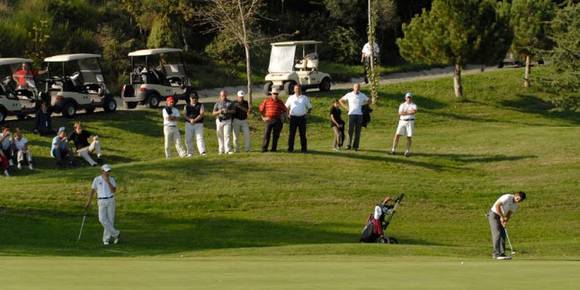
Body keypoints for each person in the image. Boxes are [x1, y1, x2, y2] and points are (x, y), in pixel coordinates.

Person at [86, 164, 120, 246]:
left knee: (110, 220)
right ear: (102, 171)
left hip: (110, 200)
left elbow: (113, 191)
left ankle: (106, 239)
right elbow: (92, 191)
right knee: (102, 219)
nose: (107, 173)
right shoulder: (97, 179)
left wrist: (108, 182)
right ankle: (116, 234)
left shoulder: (111, 179)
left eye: (108, 171)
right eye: (106, 171)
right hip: (101, 201)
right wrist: (89, 201)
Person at [487, 191, 527, 260]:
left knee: (503, 234)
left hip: (501, 216)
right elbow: (497, 206)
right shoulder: (507, 197)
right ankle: (496, 254)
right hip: (493, 214)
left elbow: (509, 214)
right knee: (497, 233)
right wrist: (502, 216)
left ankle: (502, 253)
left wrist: (505, 221)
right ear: (515, 195)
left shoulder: (515, 204)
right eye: (518, 199)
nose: (518, 201)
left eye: (520, 200)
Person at [339, 83, 369, 151]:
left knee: (358, 131)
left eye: (358, 87)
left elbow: (369, 100)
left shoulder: (362, 95)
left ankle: (356, 146)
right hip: (351, 114)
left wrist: (364, 105)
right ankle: (348, 145)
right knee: (350, 130)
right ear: (353, 88)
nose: (357, 88)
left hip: (360, 115)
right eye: (356, 87)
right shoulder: (349, 94)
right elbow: (341, 100)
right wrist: (347, 108)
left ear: (360, 88)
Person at [259, 88, 287, 152]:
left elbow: (285, 110)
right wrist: (263, 118)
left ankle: (273, 149)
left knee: (276, 135)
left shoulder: (280, 102)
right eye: (274, 93)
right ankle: (264, 148)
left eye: (277, 94)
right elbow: (261, 109)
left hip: (278, 120)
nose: (275, 95)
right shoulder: (266, 101)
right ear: (271, 94)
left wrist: (284, 117)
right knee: (267, 134)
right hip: (269, 120)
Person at [285, 84, 312, 153]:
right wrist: (287, 114)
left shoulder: (304, 98)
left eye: (298, 89)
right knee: (292, 134)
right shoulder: (290, 97)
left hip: (302, 118)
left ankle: (304, 149)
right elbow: (286, 107)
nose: (297, 90)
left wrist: (307, 114)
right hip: (293, 118)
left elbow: (309, 107)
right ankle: (290, 149)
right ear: (294, 90)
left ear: (300, 89)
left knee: (302, 134)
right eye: (296, 89)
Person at [391, 92, 417, 157]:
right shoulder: (402, 105)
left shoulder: (414, 105)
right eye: (408, 97)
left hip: (410, 122)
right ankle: (393, 149)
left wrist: (405, 112)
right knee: (397, 135)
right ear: (405, 98)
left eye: (410, 97)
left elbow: (414, 111)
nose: (409, 98)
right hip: (402, 121)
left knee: (409, 136)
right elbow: (400, 113)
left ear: (411, 98)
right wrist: (409, 112)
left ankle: (407, 151)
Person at [183, 92, 206, 157]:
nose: (194, 99)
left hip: (198, 124)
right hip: (188, 124)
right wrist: (190, 120)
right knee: (188, 138)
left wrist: (194, 120)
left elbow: (202, 114)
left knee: (199, 138)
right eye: (193, 98)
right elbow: (184, 115)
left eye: (196, 98)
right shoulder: (186, 106)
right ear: (190, 98)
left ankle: (202, 152)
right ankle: (190, 152)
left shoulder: (200, 105)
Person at [212, 90, 235, 155]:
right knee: (220, 136)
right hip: (219, 120)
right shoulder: (217, 103)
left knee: (227, 135)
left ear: (226, 95)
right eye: (222, 96)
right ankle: (221, 150)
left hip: (227, 120)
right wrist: (219, 111)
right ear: (220, 96)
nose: (223, 97)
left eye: (224, 95)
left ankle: (227, 150)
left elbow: (234, 111)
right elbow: (213, 113)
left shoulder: (230, 102)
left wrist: (228, 111)